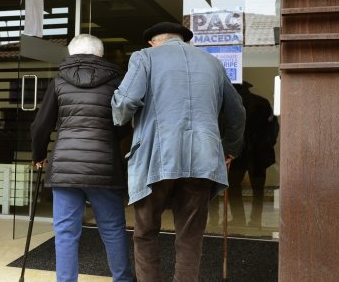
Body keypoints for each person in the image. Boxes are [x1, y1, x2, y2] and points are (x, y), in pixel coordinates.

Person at [111, 22, 245, 282]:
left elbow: (126, 101)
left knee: (146, 232)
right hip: (203, 159)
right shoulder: (212, 63)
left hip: (156, 159)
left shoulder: (144, 57)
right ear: (184, 40)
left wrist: (119, 115)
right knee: (190, 236)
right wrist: (229, 148)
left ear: (153, 41)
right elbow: (237, 111)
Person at [30, 34, 134, 282]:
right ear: (100, 54)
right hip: (104, 166)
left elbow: (41, 125)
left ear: (71, 54)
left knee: (65, 232)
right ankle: (123, 279)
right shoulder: (117, 82)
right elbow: (122, 126)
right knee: (112, 229)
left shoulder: (58, 82)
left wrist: (39, 155)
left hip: (66, 166)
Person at [225, 82, 278, 228]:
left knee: (234, 187)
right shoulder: (262, 102)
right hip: (258, 153)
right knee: (258, 190)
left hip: (239, 153)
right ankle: (255, 220)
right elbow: (273, 128)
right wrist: (266, 145)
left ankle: (238, 218)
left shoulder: (232, 105)